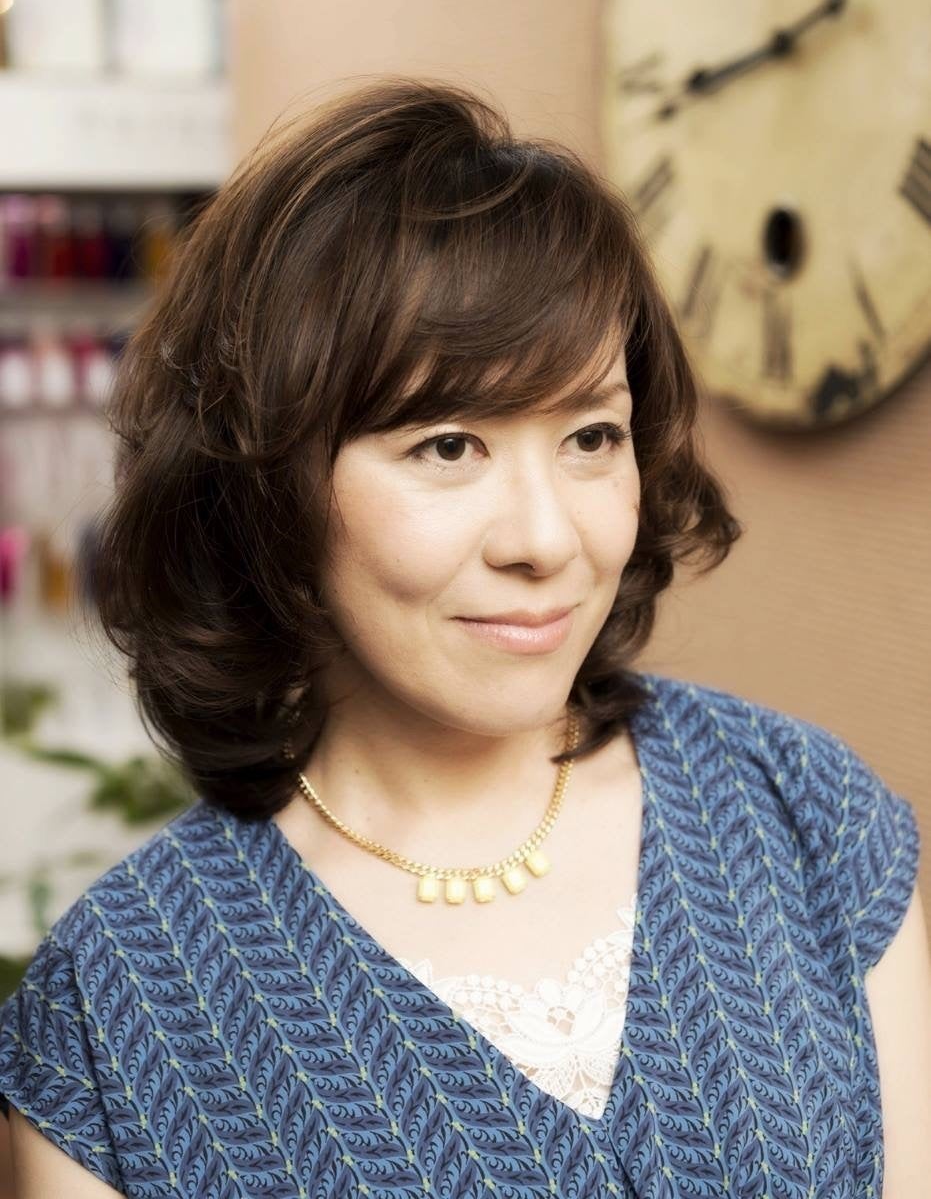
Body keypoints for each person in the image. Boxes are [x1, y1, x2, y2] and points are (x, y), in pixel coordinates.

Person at [1, 78, 928, 1199]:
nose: (545, 539)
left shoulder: (803, 815)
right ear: (265, 487)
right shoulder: (118, 1010)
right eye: (447, 446)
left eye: (591, 436)